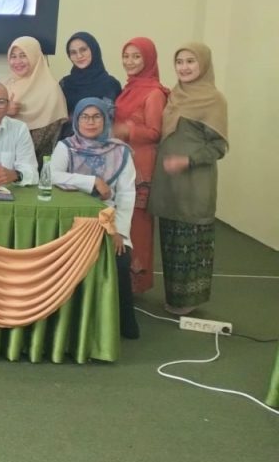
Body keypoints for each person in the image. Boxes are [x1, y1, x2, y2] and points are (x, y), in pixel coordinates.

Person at [150, 43, 228, 315]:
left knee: (191, 243)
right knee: (171, 242)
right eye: (179, 61)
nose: (184, 67)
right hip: (169, 183)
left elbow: (219, 147)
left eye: (191, 61)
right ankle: (175, 297)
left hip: (195, 184)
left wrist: (188, 160)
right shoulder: (175, 95)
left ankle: (190, 299)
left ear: (203, 64)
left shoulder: (214, 100)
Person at [51, 98, 139, 339]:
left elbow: (127, 194)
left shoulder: (120, 152)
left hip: (107, 220)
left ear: (106, 120)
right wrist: (91, 181)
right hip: (72, 220)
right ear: (77, 120)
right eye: (85, 117)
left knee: (119, 260)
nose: (90, 122)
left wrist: (119, 231)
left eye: (96, 116)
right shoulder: (66, 147)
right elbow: (52, 176)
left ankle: (118, 326)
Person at [112, 37, 169, 294]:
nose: (130, 61)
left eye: (136, 56)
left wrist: (127, 129)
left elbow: (156, 132)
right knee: (121, 219)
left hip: (141, 165)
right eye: (126, 56)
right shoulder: (130, 88)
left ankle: (135, 284)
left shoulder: (154, 92)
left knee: (138, 225)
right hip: (123, 160)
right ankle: (120, 280)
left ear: (149, 59)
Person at [4, 36, 68, 160]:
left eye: (23, 55)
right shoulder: (4, 86)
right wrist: (4, 111)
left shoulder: (51, 90)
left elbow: (46, 138)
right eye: (13, 56)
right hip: (2, 158)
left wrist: (17, 160)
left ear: (35, 56)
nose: (17, 61)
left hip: (36, 161)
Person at [58, 32, 122, 138]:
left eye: (83, 50)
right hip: (69, 143)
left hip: (103, 144)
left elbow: (114, 120)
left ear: (93, 50)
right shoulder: (65, 84)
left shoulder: (111, 84)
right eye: (73, 52)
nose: (79, 56)